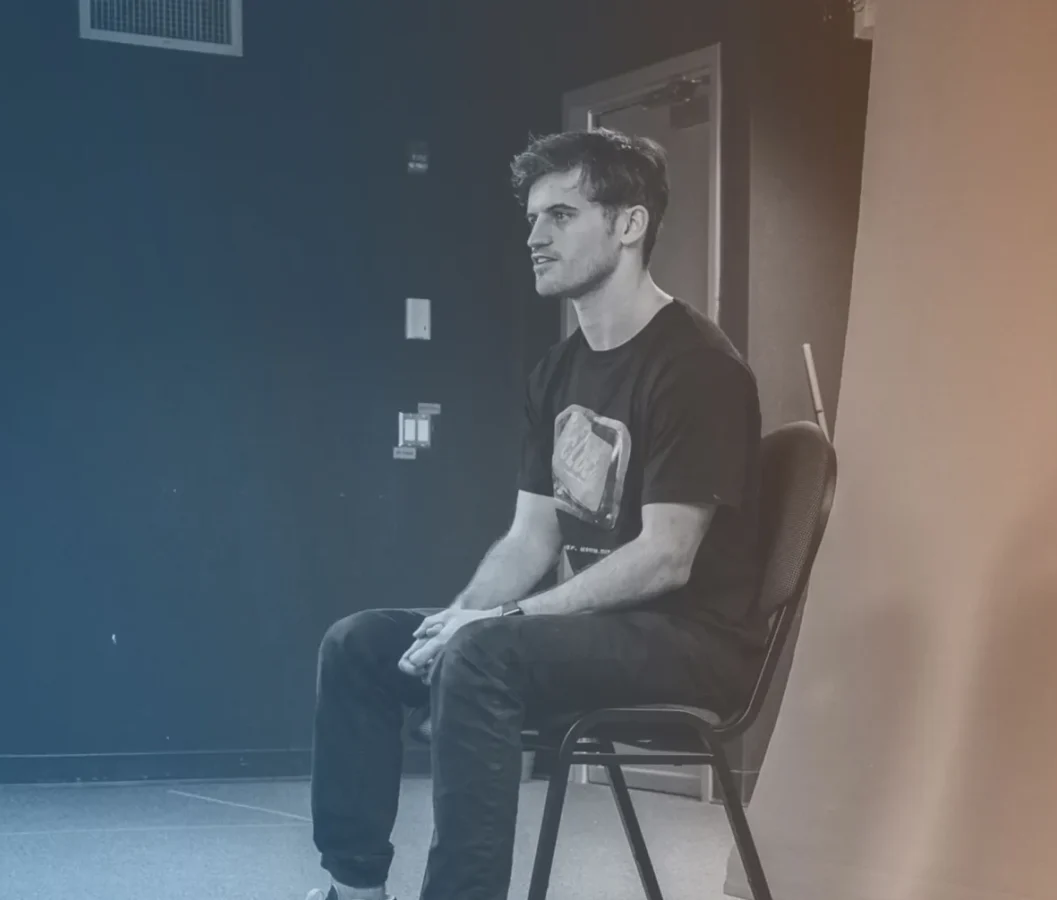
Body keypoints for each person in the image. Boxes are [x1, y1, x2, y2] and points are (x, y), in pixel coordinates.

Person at [306, 129, 765, 900]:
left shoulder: (698, 368)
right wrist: (451, 622)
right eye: (530, 217)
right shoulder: (558, 371)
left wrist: (497, 626)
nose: (533, 236)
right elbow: (530, 536)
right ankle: (355, 892)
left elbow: (667, 555)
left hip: (691, 642)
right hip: (585, 633)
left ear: (629, 225)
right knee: (360, 645)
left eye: (559, 214)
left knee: (487, 655)